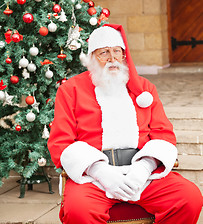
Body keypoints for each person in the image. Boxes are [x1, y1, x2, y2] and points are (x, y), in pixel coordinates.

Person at [47, 24, 203, 224]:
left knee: (188, 198)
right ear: (92, 57)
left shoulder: (144, 88)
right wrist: (99, 171)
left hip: (142, 174)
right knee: (78, 210)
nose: (112, 59)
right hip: (94, 177)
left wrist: (145, 167)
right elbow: (61, 142)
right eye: (104, 53)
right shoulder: (71, 90)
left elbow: (163, 134)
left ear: (123, 55)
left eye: (117, 52)